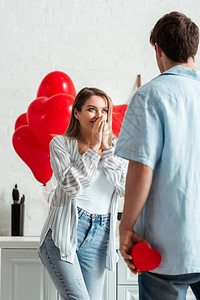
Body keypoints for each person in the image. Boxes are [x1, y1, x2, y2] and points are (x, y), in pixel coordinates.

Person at [115, 11, 200, 300]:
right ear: (195, 49)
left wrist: (125, 227)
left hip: (164, 250)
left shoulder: (150, 96)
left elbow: (141, 169)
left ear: (158, 50)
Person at [38, 87, 127, 300]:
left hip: (100, 233)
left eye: (104, 110)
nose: (99, 115)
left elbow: (126, 187)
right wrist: (93, 147)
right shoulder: (61, 144)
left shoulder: (117, 148)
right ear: (76, 113)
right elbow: (72, 187)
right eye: (91, 109)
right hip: (63, 234)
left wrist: (106, 149)